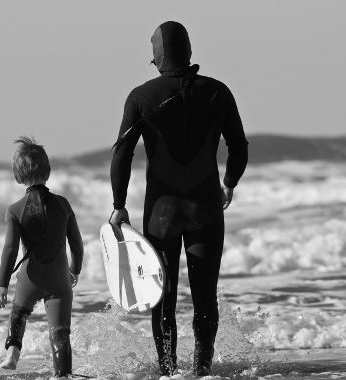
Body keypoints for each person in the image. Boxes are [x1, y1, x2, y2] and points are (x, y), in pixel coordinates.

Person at [109, 21, 248, 377]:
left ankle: (168, 371)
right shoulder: (217, 92)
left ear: (157, 56)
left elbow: (122, 154)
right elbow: (239, 147)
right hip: (205, 209)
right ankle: (202, 371)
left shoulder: (141, 96)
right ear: (187, 51)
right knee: (205, 295)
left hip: (161, 215)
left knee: (163, 298)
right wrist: (229, 183)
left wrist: (118, 204)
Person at [0, 136, 84, 377]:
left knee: (19, 312)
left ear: (19, 173)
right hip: (59, 280)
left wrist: (1, 283)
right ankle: (62, 374)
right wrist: (75, 269)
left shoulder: (15, 210)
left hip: (30, 279)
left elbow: (10, 249)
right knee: (60, 333)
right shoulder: (63, 205)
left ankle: (12, 352)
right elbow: (76, 242)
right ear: (47, 170)